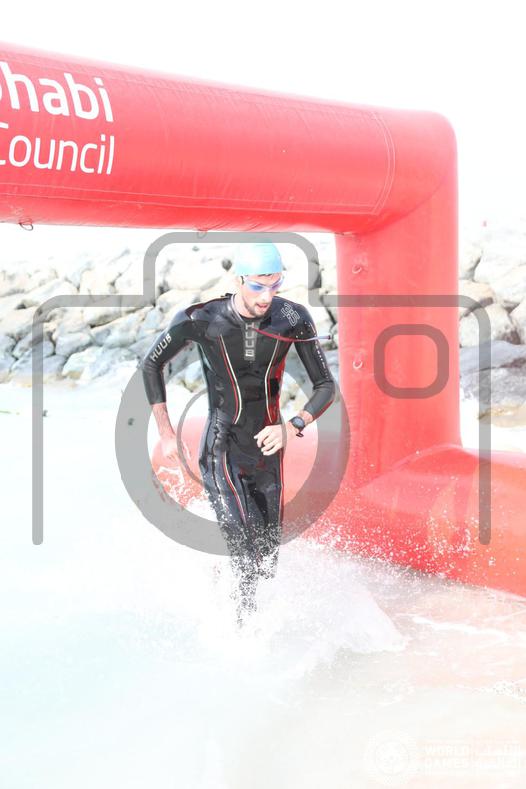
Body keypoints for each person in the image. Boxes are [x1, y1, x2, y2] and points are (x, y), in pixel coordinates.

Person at [140, 243, 336, 625]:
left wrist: (292, 426)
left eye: (275, 285)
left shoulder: (292, 318)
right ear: (239, 280)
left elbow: (325, 386)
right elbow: (152, 364)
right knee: (244, 553)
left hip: (267, 449)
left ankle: (235, 601)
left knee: (267, 559)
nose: (267, 296)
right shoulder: (201, 319)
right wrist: (165, 432)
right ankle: (239, 634)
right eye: (258, 286)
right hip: (221, 448)